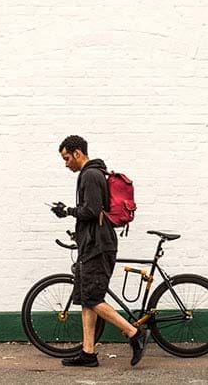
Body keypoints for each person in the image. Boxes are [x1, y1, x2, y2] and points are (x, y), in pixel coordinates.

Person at [51, 135, 148, 367]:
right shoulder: (91, 174)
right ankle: (88, 353)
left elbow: (92, 211)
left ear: (77, 153)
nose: (66, 164)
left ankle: (135, 334)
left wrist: (68, 211)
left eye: (66, 158)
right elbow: (94, 214)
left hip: (98, 246)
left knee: (93, 298)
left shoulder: (91, 175)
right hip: (93, 243)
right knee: (87, 298)